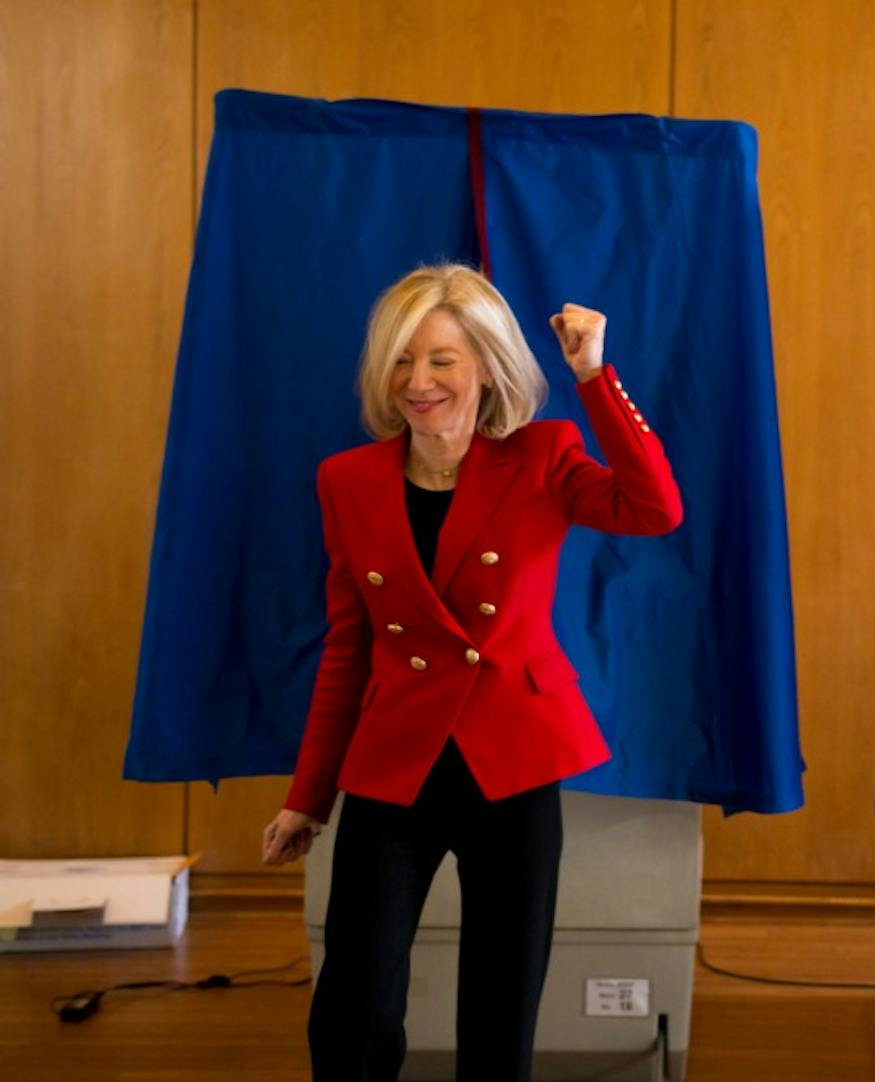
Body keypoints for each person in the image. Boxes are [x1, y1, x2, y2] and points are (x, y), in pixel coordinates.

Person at [259, 263, 682, 1081]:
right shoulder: (346, 480)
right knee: (353, 1005)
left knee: (500, 1005)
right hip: (397, 765)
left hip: (512, 762)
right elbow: (348, 648)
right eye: (402, 360)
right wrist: (307, 797)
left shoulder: (544, 456)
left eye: (442, 360)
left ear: (486, 364)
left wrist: (594, 377)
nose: (419, 382)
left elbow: (655, 506)